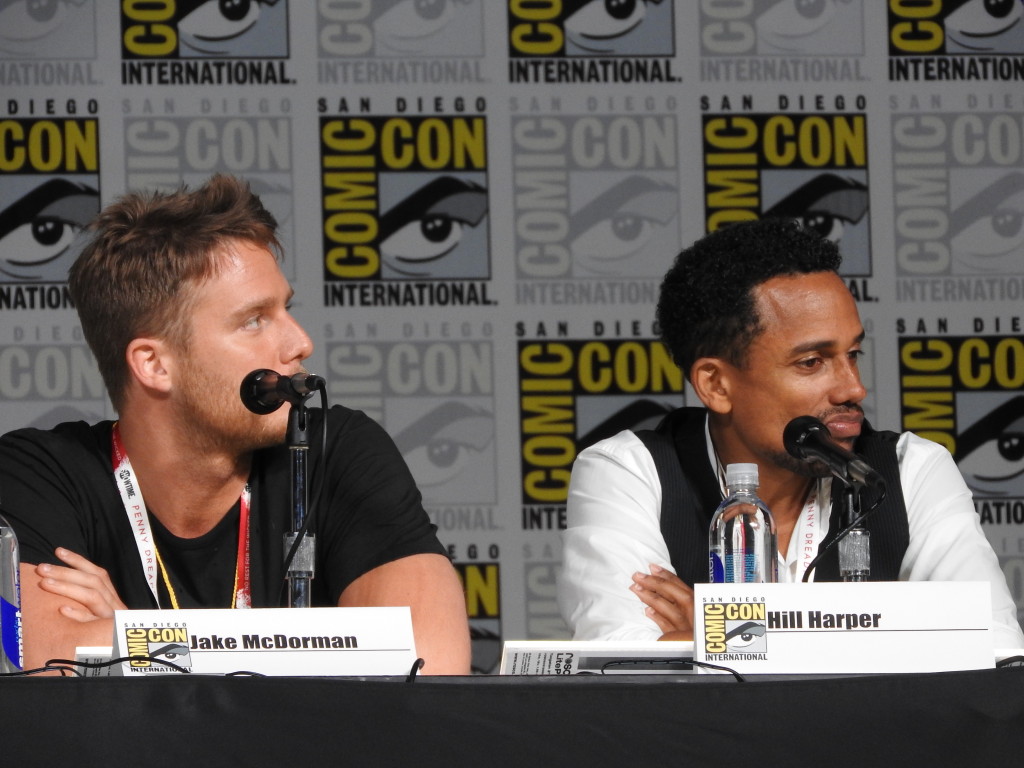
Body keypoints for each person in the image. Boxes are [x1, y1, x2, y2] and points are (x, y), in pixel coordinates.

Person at [0, 175, 471, 674]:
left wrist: (132, 639)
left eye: (286, 309)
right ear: (154, 364)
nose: (300, 342)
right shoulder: (37, 475)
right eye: (253, 320)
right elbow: (45, 668)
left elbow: (429, 668)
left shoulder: (337, 450)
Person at [557, 217, 1024, 649]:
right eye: (812, 362)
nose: (853, 388)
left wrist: (717, 634)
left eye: (853, 354)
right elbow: (624, 662)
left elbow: (996, 652)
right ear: (716, 385)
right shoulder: (629, 471)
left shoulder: (911, 469)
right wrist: (893, 639)